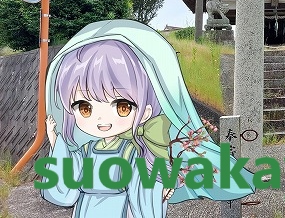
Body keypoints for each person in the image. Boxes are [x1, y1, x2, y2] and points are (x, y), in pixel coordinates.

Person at [40, 19, 255, 217]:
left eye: (122, 106)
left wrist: (159, 192)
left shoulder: (131, 152)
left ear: (146, 111)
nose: (101, 118)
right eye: (84, 107)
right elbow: (66, 185)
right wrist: (56, 142)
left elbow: (142, 191)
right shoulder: (86, 151)